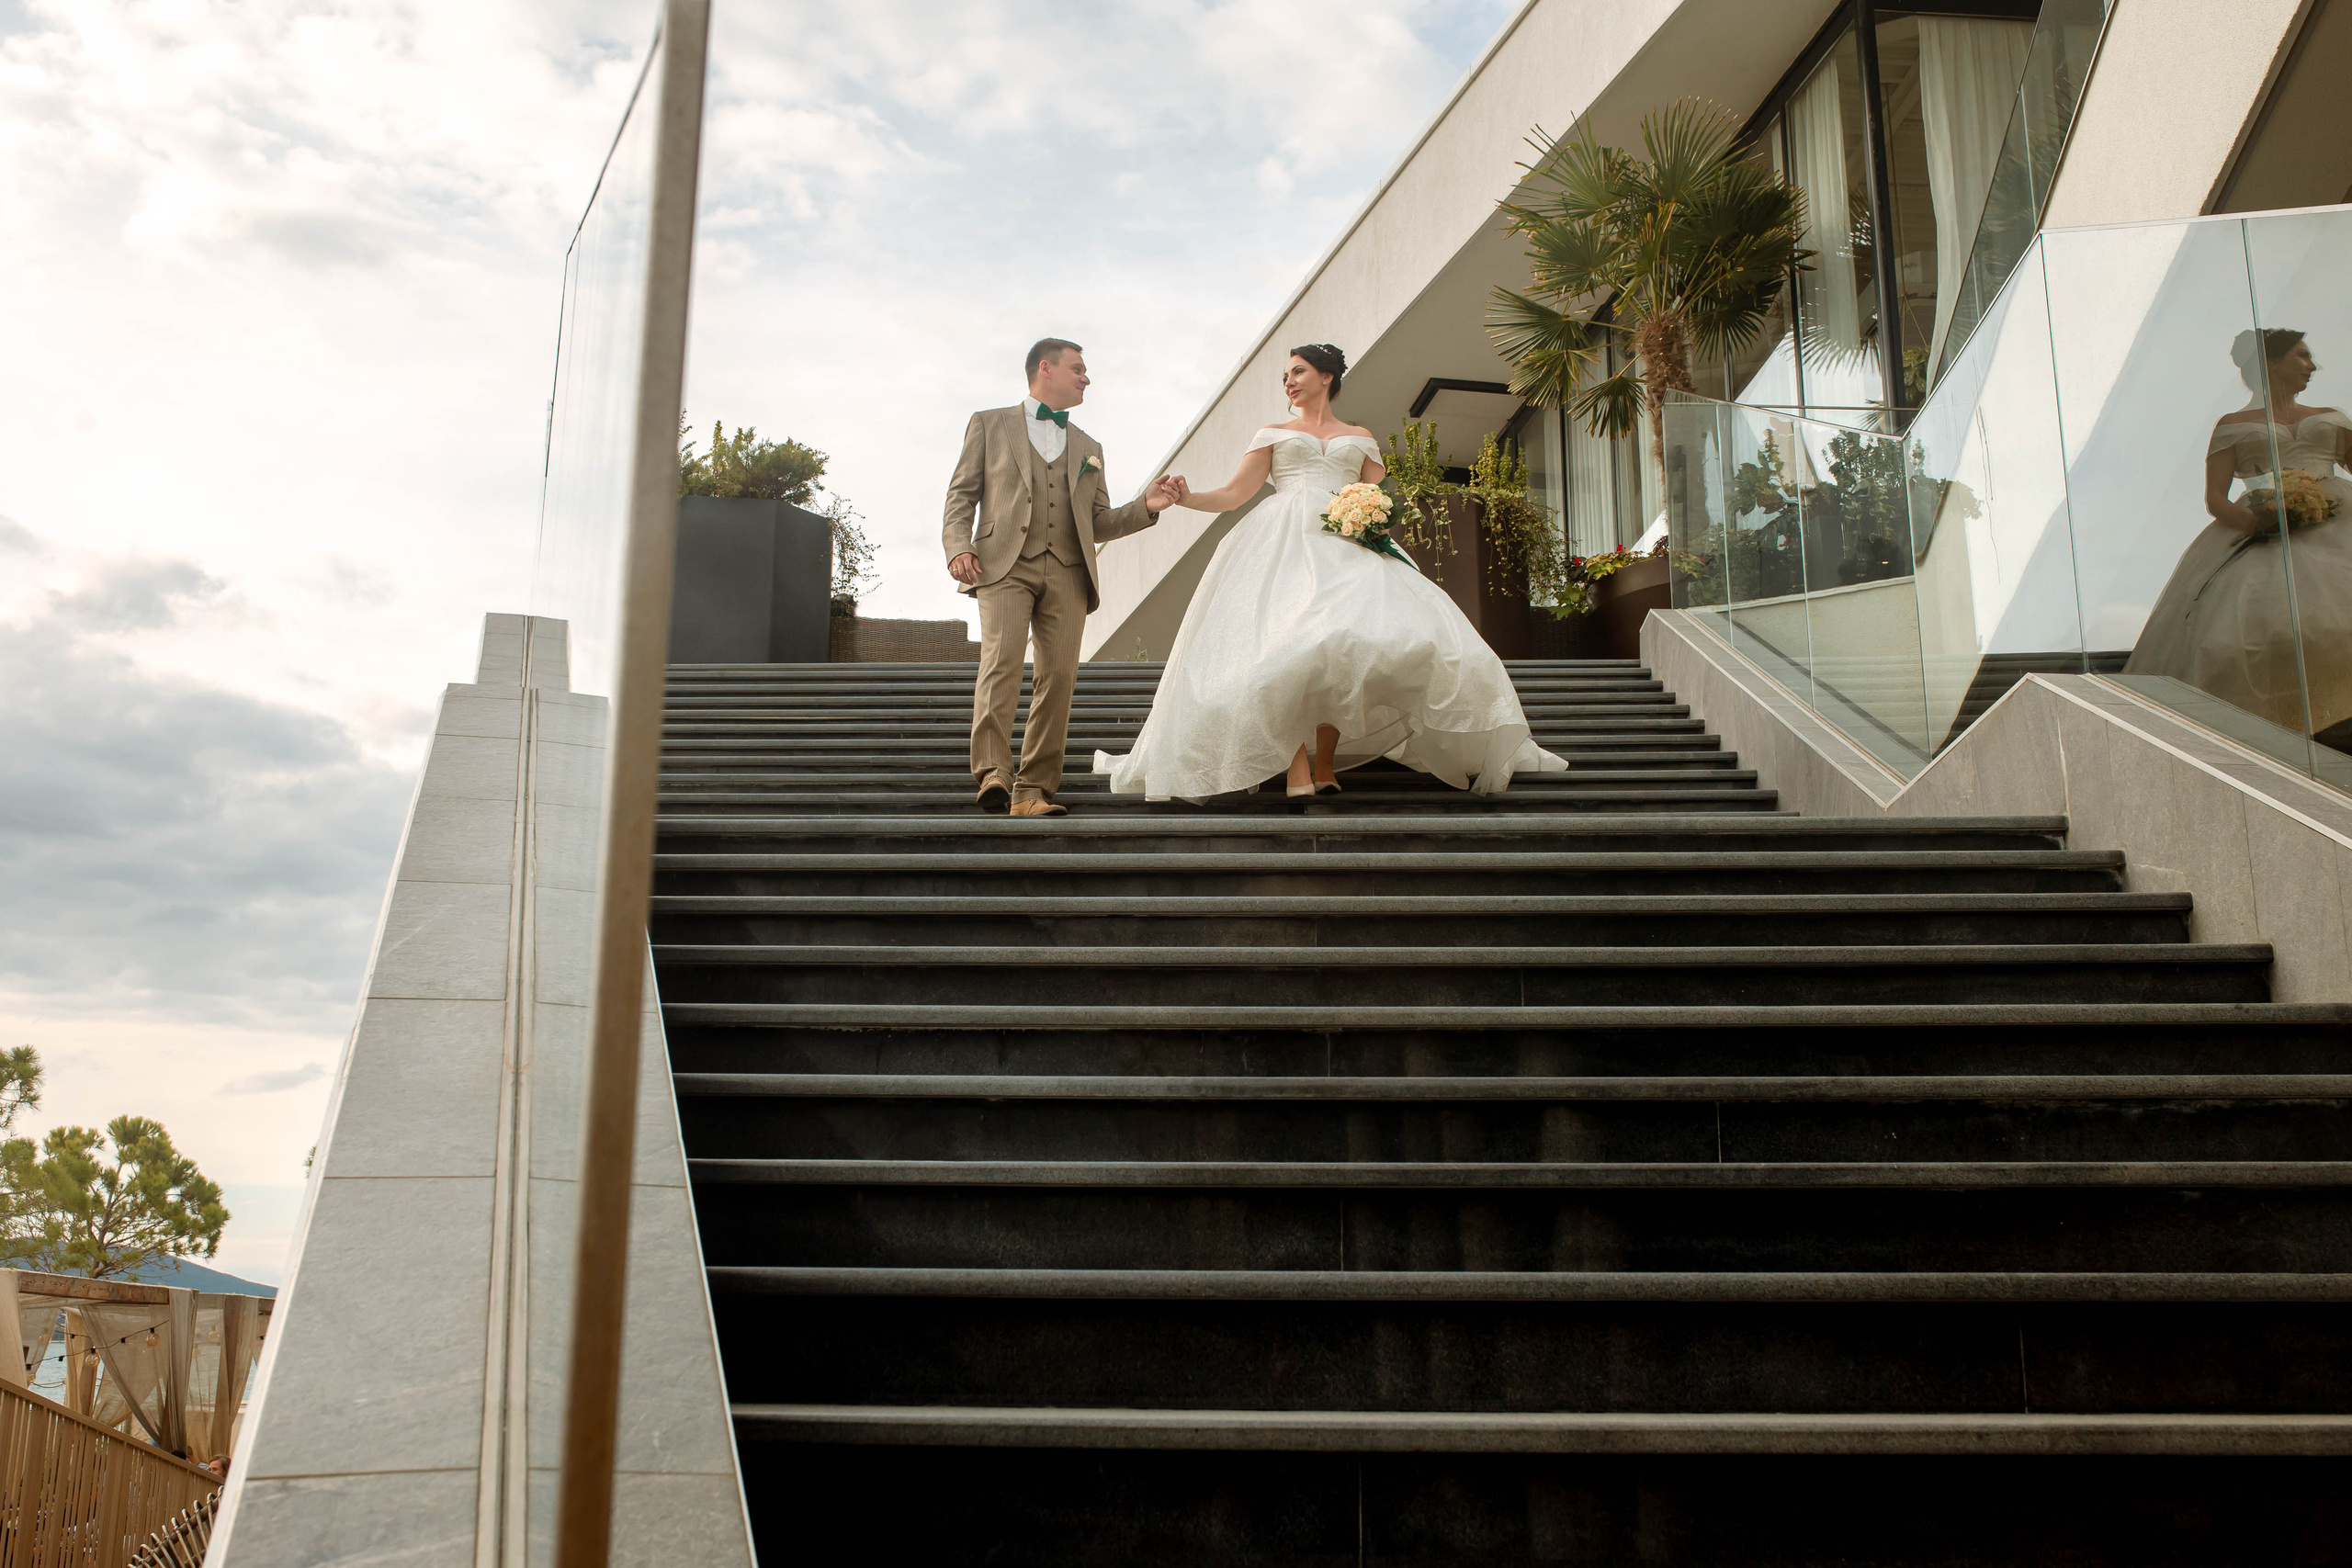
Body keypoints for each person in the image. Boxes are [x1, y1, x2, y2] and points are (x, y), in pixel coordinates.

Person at [1094, 344, 1567, 800]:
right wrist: (1187, 496)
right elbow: (1236, 494)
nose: (1289, 382)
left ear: (1326, 377)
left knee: (1342, 646)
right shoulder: (1273, 433)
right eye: (1285, 376)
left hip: (1347, 540)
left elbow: (1383, 500)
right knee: (1286, 646)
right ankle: (1296, 764)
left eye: (1297, 371)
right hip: (1281, 541)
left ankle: (1325, 764)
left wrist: (1374, 518)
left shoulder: (1361, 438)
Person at [943, 338, 1182, 816]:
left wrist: (1146, 508)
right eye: (1078, 369)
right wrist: (958, 547)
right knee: (1002, 662)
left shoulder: (1090, 447)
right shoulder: (989, 423)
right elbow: (961, 494)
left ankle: (1033, 791)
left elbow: (1098, 521)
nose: (1086, 378)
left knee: (1059, 678)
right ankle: (993, 772)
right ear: (1045, 369)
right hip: (1003, 562)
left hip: (1070, 571)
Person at [2125, 328, 2352, 750]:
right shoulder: (2231, 426)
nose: (2312, 366)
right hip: (2265, 521)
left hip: (2341, 515)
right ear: (2272, 364)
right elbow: (2215, 498)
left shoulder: (2331, 416)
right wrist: (2254, 522)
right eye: (2302, 356)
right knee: (2249, 630)